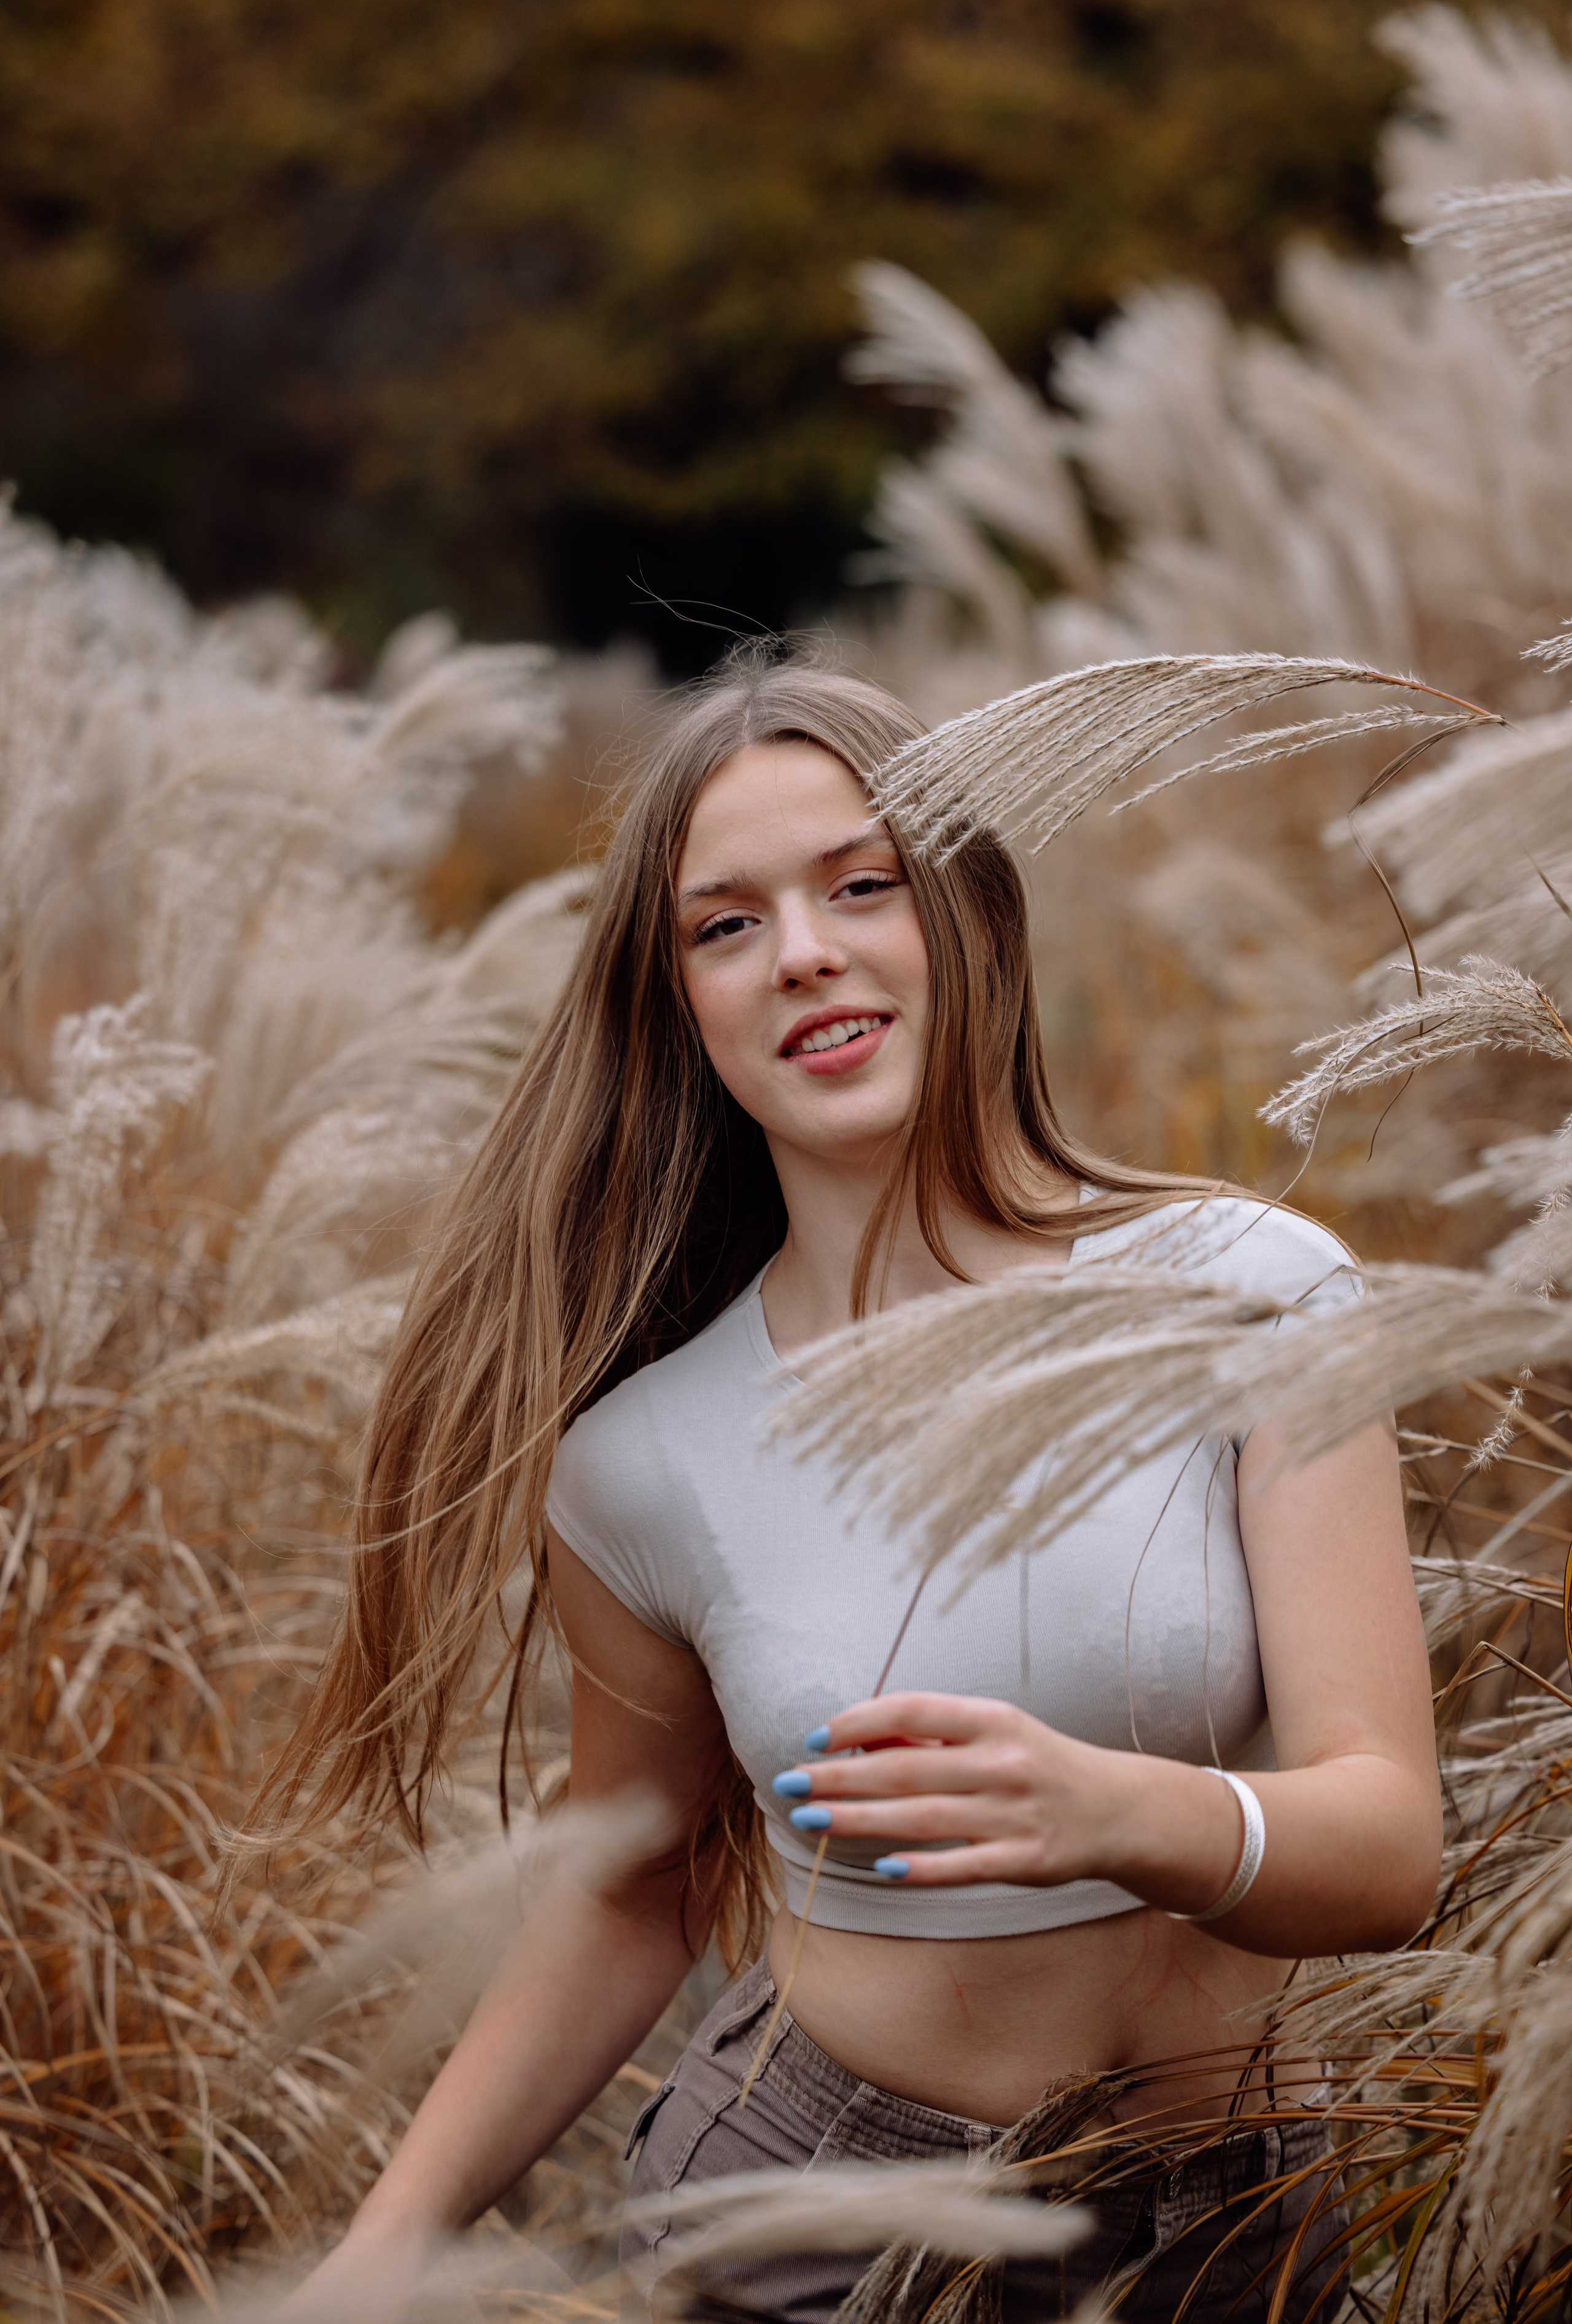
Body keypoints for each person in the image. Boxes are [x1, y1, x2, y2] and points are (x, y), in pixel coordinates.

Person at [265, 657, 1442, 2322]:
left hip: (1233, 2224)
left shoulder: (1253, 1292)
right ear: (680, 1007)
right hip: (824, 2228)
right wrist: (386, 2248)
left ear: (971, 914)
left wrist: (1116, 1813)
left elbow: (1390, 1850)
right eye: (725, 925)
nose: (803, 950)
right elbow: (636, 1882)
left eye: (862, 885)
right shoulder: (640, 1458)